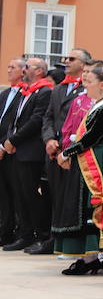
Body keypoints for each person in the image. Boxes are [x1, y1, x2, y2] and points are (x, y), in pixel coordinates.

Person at [56, 63, 103, 275]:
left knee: (95, 202)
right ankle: (89, 255)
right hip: (91, 158)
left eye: (89, 81)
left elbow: (91, 137)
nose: (84, 84)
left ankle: (92, 257)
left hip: (100, 160)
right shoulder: (98, 105)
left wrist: (66, 153)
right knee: (84, 204)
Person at [38, 48, 91, 256]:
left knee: (68, 198)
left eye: (71, 59)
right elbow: (48, 117)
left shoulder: (86, 91)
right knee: (54, 196)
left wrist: (65, 146)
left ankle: (64, 240)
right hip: (54, 149)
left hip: (71, 151)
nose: (66, 62)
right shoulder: (60, 88)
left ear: (83, 64)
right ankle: (54, 239)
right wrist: (49, 139)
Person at [1, 57, 53, 252]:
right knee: (20, 195)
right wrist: (8, 140)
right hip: (17, 150)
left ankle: (40, 235)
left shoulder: (44, 92)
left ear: (39, 71)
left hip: (30, 151)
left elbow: (36, 120)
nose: (25, 70)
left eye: (28, 66)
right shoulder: (26, 92)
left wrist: (13, 141)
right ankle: (25, 233)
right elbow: (12, 120)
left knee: (32, 195)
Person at [0, 58, 26, 247]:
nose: (9, 70)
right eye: (8, 67)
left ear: (23, 71)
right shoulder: (5, 93)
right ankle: (4, 230)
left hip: (12, 150)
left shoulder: (25, 94)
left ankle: (16, 232)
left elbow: (15, 124)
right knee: (3, 194)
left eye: (13, 67)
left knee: (14, 193)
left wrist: (3, 145)